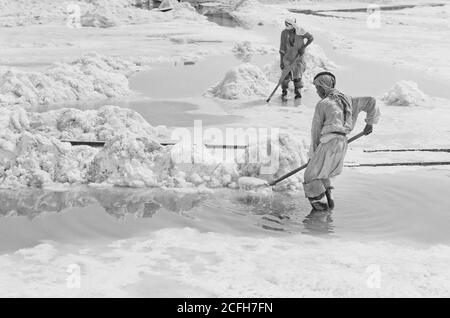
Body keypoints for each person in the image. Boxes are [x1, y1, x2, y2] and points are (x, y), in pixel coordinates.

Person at [303, 72, 380, 211]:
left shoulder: (323, 104)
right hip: (342, 143)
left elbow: (315, 131)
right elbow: (371, 101)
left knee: (310, 176)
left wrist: (313, 155)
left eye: (318, 87)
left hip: (328, 142)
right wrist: (370, 123)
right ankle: (329, 204)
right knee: (323, 173)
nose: (317, 91)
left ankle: (320, 214)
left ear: (324, 86)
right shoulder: (349, 99)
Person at [279, 17, 314, 101]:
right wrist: (281, 61)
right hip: (287, 58)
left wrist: (303, 47)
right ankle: (284, 93)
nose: (289, 29)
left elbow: (311, 38)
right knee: (285, 76)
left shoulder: (300, 31)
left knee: (297, 77)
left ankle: (298, 95)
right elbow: (282, 49)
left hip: (298, 58)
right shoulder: (284, 33)